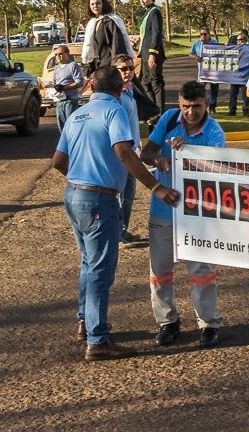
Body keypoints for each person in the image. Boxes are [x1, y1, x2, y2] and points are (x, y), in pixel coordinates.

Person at [52, 65, 179, 361]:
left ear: (90, 86)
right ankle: (97, 340)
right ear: (120, 89)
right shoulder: (115, 112)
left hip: (74, 194)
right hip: (100, 199)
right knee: (100, 270)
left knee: (88, 262)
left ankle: (85, 320)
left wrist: (81, 176)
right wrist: (156, 188)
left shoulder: (76, 115)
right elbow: (124, 152)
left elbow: (58, 160)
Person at [140, 81, 227, 348]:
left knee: (201, 270)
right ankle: (167, 322)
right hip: (163, 209)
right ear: (179, 104)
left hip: (197, 212)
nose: (191, 112)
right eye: (186, 107)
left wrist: (186, 151)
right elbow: (146, 153)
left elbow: (217, 169)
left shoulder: (214, 131)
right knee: (160, 270)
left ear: (206, 104)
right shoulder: (168, 119)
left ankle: (208, 323)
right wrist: (160, 160)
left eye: (197, 107)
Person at [112, 53, 158, 248]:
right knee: (121, 194)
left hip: (133, 149)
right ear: (115, 71)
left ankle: (122, 229)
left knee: (129, 194)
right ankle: (116, 233)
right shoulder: (115, 95)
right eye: (123, 69)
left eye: (131, 68)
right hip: (121, 153)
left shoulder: (130, 91)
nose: (128, 72)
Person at [80, 0, 131, 75]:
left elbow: (117, 46)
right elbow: (91, 50)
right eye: (92, 4)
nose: (95, 6)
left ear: (104, 4)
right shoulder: (93, 23)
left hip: (110, 67)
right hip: (98, 66)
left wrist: (116, 66)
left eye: (98, 3)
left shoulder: (111, 22)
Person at [136, 0, 166, 111]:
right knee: (145, 82)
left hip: (152, 54)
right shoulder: (147, 13)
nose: (143, 1)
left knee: (155, 82)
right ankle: (153, 109)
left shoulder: (155, 12)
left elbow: (156, 34)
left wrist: (152, 53)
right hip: (144, 54)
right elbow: (146, 34)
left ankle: (159, 112)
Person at [47, 44, 84, 129]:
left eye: (60, 54)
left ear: (67, 54)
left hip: (70, 99)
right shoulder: (56, 68)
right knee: (61, 125)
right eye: (56, 54)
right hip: (59, 100)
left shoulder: (73, 65)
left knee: (71, 124)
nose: (58, 56)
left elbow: (79, 82)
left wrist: (64, 87)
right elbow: (54, 83)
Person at [188, 28, 220, 112]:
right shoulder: (197, 43)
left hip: (213, 70)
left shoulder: (214, 42)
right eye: (201, 34)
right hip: (202, 71)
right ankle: (200, 106)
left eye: (205, 34)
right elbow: (191, 53)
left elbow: (221, 52)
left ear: (209, 34)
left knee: (214, 89)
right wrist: (196, 57)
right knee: (200, 89)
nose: (203, 36)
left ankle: (212, 107)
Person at [226, 30, 249, 116]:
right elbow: (226, 57)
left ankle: (245, 111)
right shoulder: (233, 49)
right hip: (235, 76)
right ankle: (232, 111)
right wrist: (225, 48)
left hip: (245, 76)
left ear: (245, 40)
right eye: (237, 40)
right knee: (233, 94)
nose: (238, 41)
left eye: (240, 40)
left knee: (245, 95)